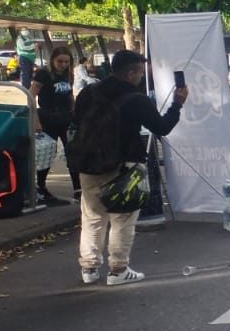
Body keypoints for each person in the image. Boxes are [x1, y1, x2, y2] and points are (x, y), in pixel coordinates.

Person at [72, 49, 187, 285]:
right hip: (123, 165)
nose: (142, 77)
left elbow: (77, 121)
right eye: (140, 72)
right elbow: (162, 127)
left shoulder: (87, 93)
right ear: (131, 72)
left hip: (88, 163)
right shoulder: (137, 99)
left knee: (92, 217)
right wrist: (177, 104)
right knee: (122, 218)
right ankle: (118, 269)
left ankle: (89, 268)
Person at [30, 46, 77, 206]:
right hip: (47, 117)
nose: (62, 65)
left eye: (66, 62)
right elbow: (32, 95)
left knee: (72, 151)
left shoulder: (68, 75)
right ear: (52, 60)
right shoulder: (44, 74)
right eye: (59, 61)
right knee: (49, 152)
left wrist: (75, 113)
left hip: (66, 117)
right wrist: (35, 120)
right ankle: (41, 186)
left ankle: (78, 188)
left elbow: (70, 95)